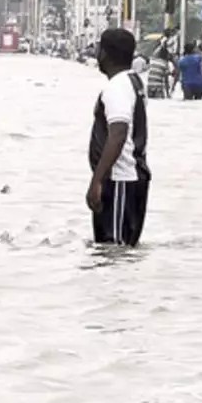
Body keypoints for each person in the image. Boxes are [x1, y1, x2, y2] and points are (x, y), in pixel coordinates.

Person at [86, 28, 151, 246]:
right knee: (121, 254)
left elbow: (118, 133)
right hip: (131, 177)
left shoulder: (117, 87)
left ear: (104, 53)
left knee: (113, 251)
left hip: (120, 180)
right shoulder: (133, 82)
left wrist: (96, 180)